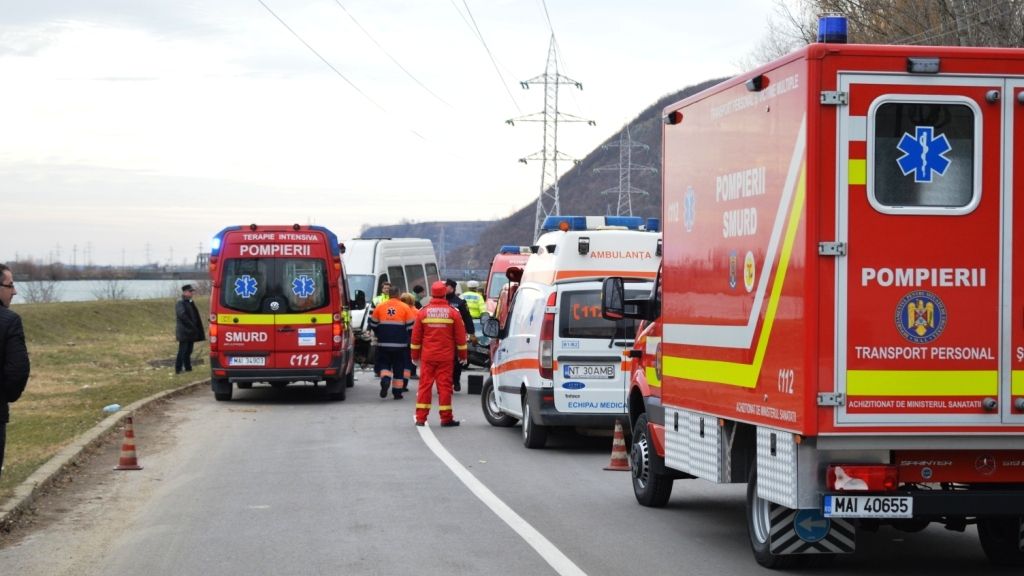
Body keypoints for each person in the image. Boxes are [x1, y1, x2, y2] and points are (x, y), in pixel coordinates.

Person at [410, 281, 467, 427]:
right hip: (446, 357)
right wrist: (463, 356)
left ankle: (421, 418)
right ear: (444, 293)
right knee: (445, 387)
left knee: (425, 386)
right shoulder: (453, 312)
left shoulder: (423, 311)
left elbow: (416, 337)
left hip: (428, 356)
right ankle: (446, 418)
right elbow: (460, 338)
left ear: (432, 293)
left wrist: (415, 356)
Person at [1, 264, 30, 480]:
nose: (15, 291)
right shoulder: (9, 321)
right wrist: (6, 396)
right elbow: (17, 369)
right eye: (10, 285)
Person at [368, 286, 416, 400]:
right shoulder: (405, 307)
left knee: (384, 364)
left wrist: (380, 333)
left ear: (389, 294)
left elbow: (373, 324)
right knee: (399, 367)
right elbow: (411, 328)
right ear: (398, 295)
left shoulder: (380, 306)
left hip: (383, 343)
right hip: (400, 345)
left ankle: (385, 380)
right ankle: (397, 392)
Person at [445, 279, 475, 392]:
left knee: (457, 361)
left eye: (446, 286)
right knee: (445, 361)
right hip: (443, 336)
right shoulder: (439, 300)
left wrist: (471, 333)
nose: (444, 288)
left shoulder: (460, 302)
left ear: (452, 288)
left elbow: (467, 318)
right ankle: (446, 384)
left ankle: (456, 380)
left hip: (457, 336)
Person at [175, 284, 206, 374]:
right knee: (183, 350)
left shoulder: (190, 302)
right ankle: (178, 369)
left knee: (189, 351)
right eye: (190, 291)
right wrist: (192, 325)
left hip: (191, 331)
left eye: (192, 291)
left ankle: (188, 368)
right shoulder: (180, 302)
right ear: (185, 292)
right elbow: (182, 315)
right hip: (184, 331)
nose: (192, 293)